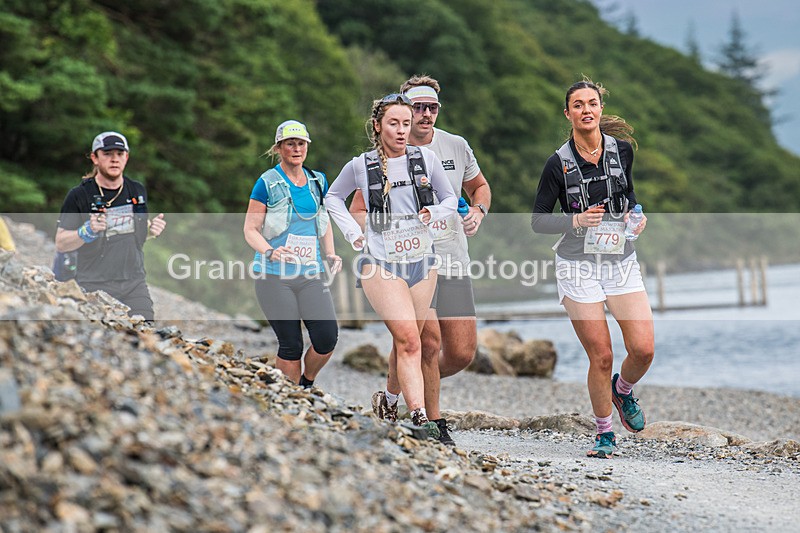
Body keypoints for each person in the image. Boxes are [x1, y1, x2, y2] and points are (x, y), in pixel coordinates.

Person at [350, 76, 491, 446]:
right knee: (425, 343)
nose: (425, 114)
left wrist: (478, 211)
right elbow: (357, 209)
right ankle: (432, 421)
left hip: (453, 258)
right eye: (417, 108)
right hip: (408, 263)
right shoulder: (384, 155)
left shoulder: (455, 146)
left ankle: (392, 395)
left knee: (460, 353)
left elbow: (479, 187)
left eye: (432, 108)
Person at [531, 79, 654, 459]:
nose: (586, 109)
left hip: (620, 261)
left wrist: (636, 216)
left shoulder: (622, 151)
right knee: (601, 355)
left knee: (643, 350)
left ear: (600, 108)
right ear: (568, 113)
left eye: (592, 103)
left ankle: (622, 390)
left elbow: (629, 196)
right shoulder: (557, 164)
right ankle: (604, 434)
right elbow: (538, 220)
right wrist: (575, 220)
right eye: (578, 104)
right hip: (577, 266)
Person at [326, 94, 458, 439]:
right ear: (377, 126)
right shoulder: (360, 165)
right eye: (394, 124)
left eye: (406, 124)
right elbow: (332, 198)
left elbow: (450, 199)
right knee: (410, 341)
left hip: (422, 261)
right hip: (380, 263)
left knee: (407, 340)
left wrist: (434, 213)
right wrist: (354, 233)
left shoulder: (425, 159)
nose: (401, 131)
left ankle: (388, 399)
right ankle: (420, 419)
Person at [243, 120, 341, 388]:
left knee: (326, 338)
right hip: (273, 275)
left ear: (307, 146)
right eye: (290, 144)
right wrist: (270, 251)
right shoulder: (266, 182)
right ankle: (290, 398)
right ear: (278, 148)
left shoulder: (318, 180)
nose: (296, 149)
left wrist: (330, 253)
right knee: (291, 344)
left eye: (301, 143)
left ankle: (306, 383)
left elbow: (323, 220)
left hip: (310, 272)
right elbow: (250, 229)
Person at [55, 132, 166, 321]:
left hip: (134, 284)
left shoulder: (137, 190)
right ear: (94, 158)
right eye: (107, 153)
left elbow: (131, 234)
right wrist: (87, 231)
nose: (115, 159)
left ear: (126, 157)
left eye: (120, 154)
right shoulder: (79, 195)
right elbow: (61, 243)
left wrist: (150, 230)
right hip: (93, 285)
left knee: (146, 334)